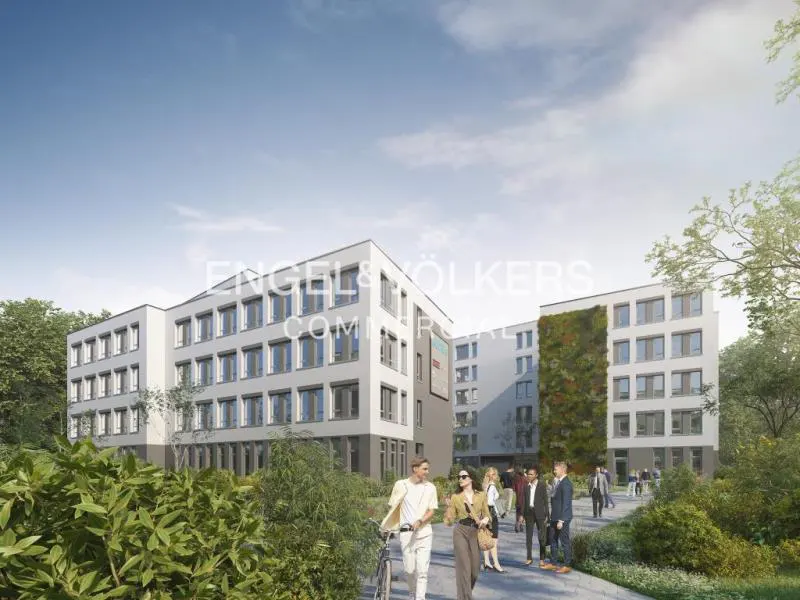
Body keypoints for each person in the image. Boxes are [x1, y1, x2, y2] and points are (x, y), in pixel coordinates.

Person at [381, 456, 439, 600]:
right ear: (415, 469)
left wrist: (420, 520)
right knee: (410, 569)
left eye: (427, 469)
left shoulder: (430, 487)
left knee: (422, 571)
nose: (427, 472)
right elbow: (392, 507)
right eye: (424, 469)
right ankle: (412, 593)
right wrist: (388, 525)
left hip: (424, 533)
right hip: (406, 534)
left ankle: (420, 598)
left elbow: (432, 510)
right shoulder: (401, 485)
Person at [444, 467, 491, 600]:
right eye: (459, 477)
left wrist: (486, 519)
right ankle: (466, 597)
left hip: (475, 532)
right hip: (460, 531)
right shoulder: (455, 497)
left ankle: (463, 595)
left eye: (463, 476)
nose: (460, 479)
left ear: (471, 478)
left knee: (475, 570)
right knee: (464, 567)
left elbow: (487, 513)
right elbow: (449, 521)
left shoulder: (481, 495)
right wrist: (448, 509)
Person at [542, 461, 573, 574]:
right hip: (555, 516)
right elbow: (553, 497)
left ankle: (567, 565)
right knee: (553, 540)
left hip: (562, 518)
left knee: (564, 542)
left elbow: (566, 503)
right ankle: (553, 563)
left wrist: (562, 520)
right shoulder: (558, 482)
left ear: (562, 470)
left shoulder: (566, 484)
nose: (554, 471)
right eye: (554, 469)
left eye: (556, 469)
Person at [518, 465, 549, 567]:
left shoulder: (542, 485)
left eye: (531, 474)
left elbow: (545, 501)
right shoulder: (526, 486)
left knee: (542, 537)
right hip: (529, 513)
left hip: (540, 514)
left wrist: (547, 515)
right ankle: (529, 558)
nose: (529, 476)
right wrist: (521, 515)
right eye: (528, 474)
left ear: (536, 475)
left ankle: (542, 559)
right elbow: (524, 502)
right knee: (528, 537)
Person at [481, 467, 506, 573]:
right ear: (493, 476)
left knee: (487, 539)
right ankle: (496, 564)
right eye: (494, 474)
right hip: (491, 514)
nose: (496, 476)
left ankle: (487, 562)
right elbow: (490, 502)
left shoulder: (485, 486)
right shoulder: (491, 487)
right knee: (494, 541)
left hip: (485, 514)